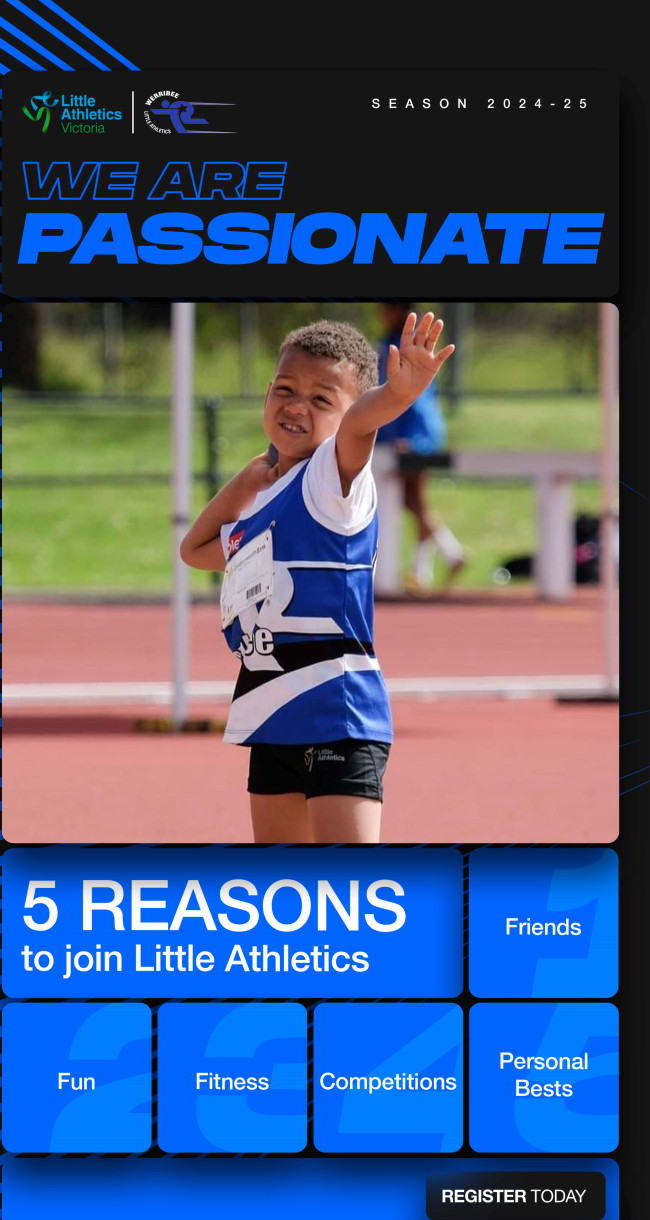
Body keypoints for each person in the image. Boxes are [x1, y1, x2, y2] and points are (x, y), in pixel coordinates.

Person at [181, 313, 455, 845]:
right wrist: (250, 477)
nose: (296, 405)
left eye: (322, 399)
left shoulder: (334, 480)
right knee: (288, 902)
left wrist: (398, 395)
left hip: (339, 716)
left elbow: (359, 426)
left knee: (348, 897)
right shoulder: (265, 505)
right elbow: (196, 551)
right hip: (272, 714)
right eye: (284, 389)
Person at [376, 302, 465, 589]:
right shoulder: (395, 340)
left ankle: (440, 559)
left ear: (399, 310)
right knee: (412, 500)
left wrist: (405, 436)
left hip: (413, 433)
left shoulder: (403, 343)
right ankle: (430, 565)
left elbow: (408, 395)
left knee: (413, 500)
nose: (381, 313)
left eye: (386, 307)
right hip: (411, 431)